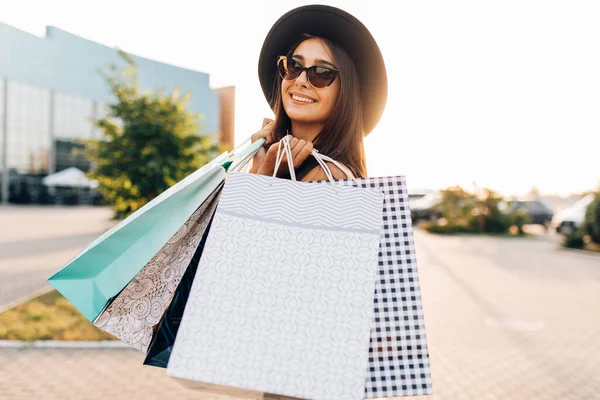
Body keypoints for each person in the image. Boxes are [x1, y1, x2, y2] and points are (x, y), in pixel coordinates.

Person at [249, 4, 388, 182]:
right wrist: (258, 165)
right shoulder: (274, 157)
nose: (300, 81)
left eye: (321, 73)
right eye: (294, 66)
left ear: (344, 93)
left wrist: (266, 172)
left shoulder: (331, 175)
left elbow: (241, 211)